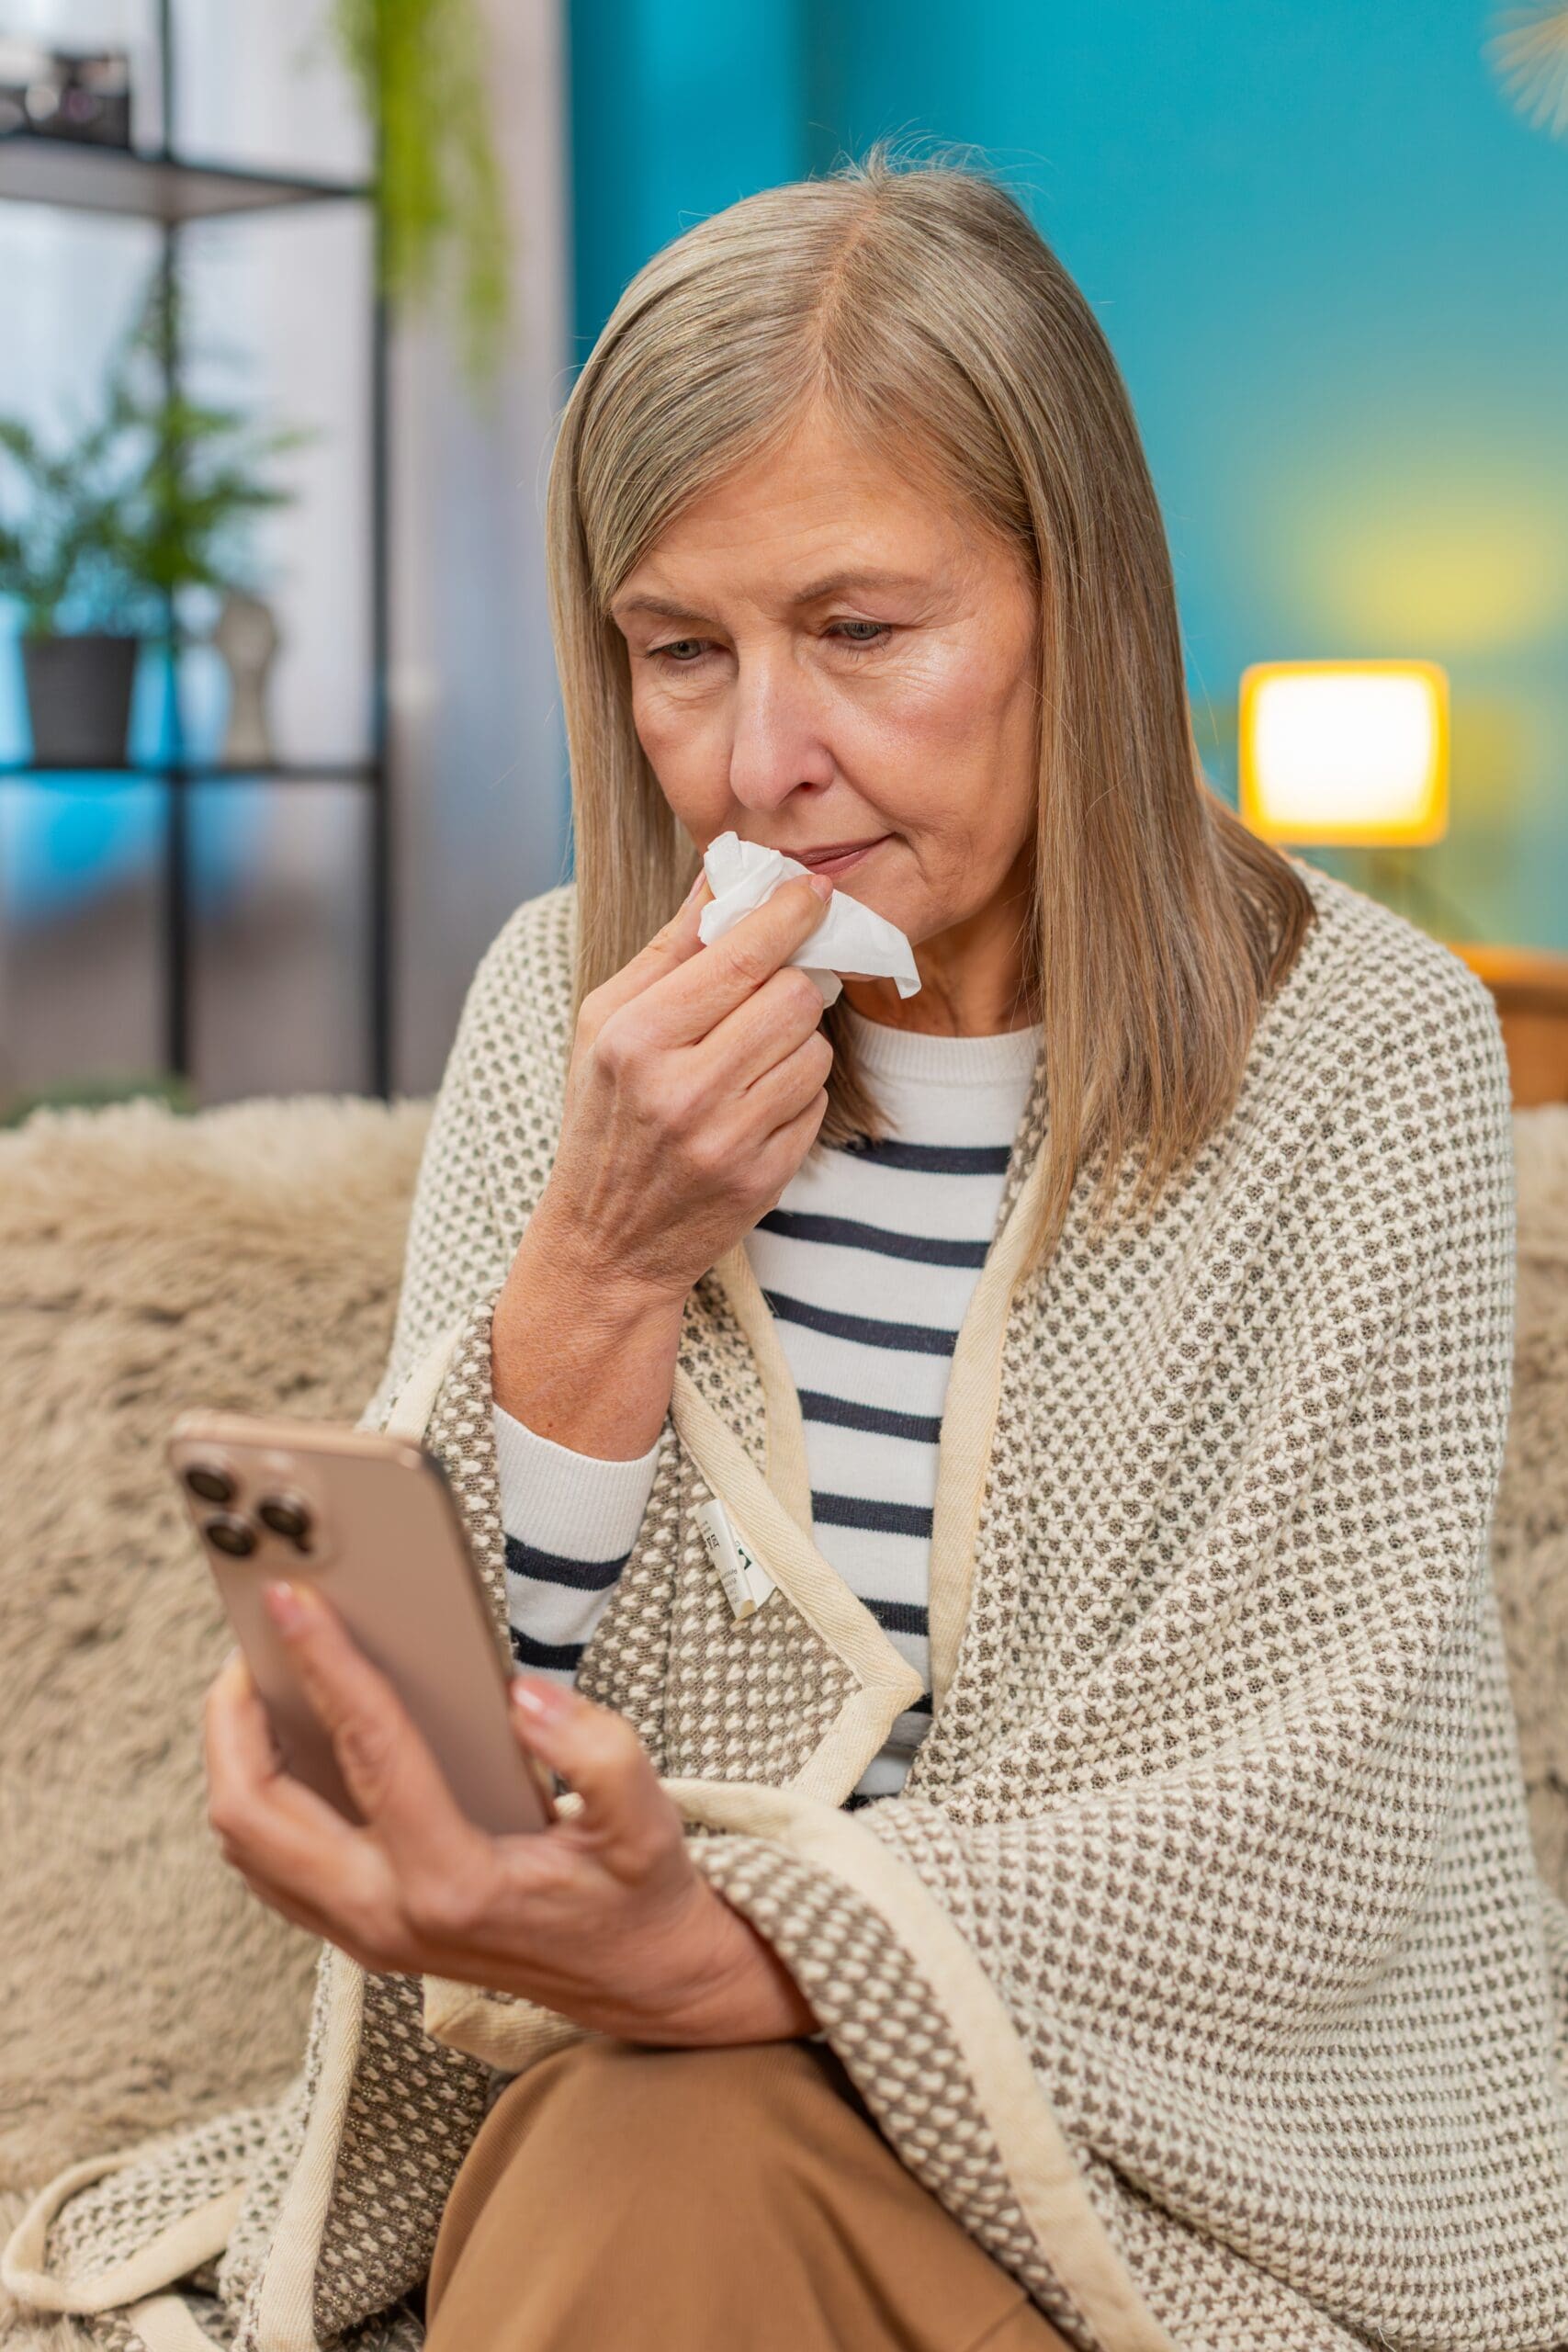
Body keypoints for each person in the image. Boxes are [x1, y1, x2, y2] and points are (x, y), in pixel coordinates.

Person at [14, 139, 1568, 2352]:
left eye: (860, 631)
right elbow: (440, 1745)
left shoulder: (1365, 1051)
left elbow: (1290, 1826)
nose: (762, 761)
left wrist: (725, 1948)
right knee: (653, 2131)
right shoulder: (564, 995)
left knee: (667, 2137)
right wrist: (601, 1258)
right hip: (612, 2113)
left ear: (1076, 611)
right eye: (678, 648)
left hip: (1164, 2192)